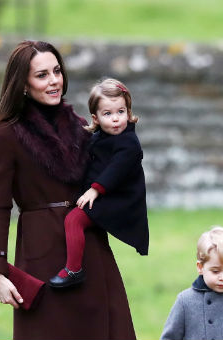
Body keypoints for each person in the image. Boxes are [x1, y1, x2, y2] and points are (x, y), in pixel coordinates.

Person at [0, 40, 136, 339]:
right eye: (41, 75)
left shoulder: (82, 126)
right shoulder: (6, 134)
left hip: (89, 248)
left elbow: (118, 170)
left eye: (56, 71)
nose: (53, 80)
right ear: (23, 83)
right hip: (41, 255)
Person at [48, 78, 149, 288]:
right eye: (108, 114)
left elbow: (116, 169)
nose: (115, 119)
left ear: (128, 112)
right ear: (95, 117)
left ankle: (74, 270)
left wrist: (94, 190)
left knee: (74, 220)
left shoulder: (129, 143)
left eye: (121, 112)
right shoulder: (98, 137)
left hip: (119, 200)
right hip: (104, 196)